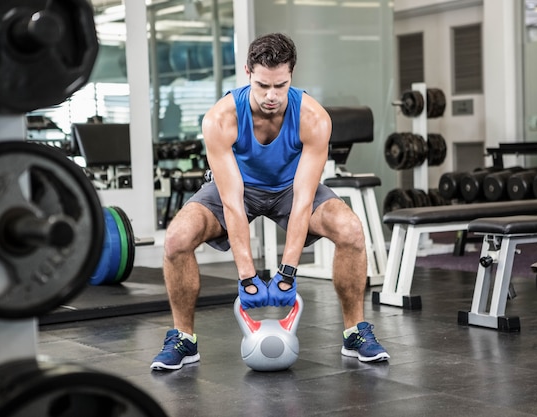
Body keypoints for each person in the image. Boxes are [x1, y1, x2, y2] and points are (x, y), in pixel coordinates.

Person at [151, 33, 389, 371]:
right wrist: (248, 276)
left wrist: (287, 273)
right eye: (263, 85)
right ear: (247, 72)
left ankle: (355, 332)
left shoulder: (314, 118)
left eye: (281, 85)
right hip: (239, 190)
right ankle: (184, 339)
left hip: (290, 189)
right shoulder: (220, 119)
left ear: (292, 75)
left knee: (350, 229)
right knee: (176, 239)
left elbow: (304, 199)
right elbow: (232, 202)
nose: (272, 96)